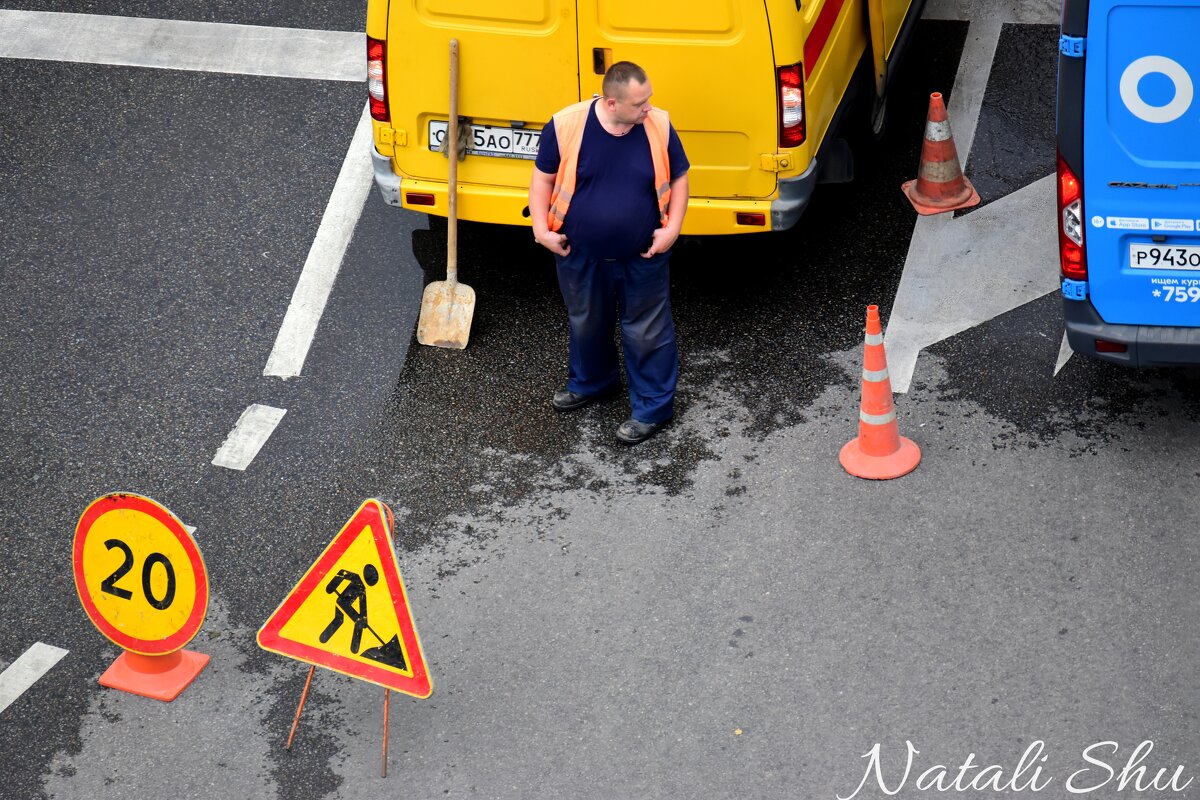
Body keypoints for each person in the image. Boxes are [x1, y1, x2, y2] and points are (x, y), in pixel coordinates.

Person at [529, 61, 690, 445]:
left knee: (647, 331)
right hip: (579, 254)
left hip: (644, 256)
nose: (648, 108)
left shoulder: (659, 125)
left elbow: (681, 176)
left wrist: (672, 229)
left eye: (648, 99)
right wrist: (540, 230)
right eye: (640, 103)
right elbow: (542, 179)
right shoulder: (567, 124)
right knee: (586, 320)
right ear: (612, 103)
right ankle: (592, 383)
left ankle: (652, 409)